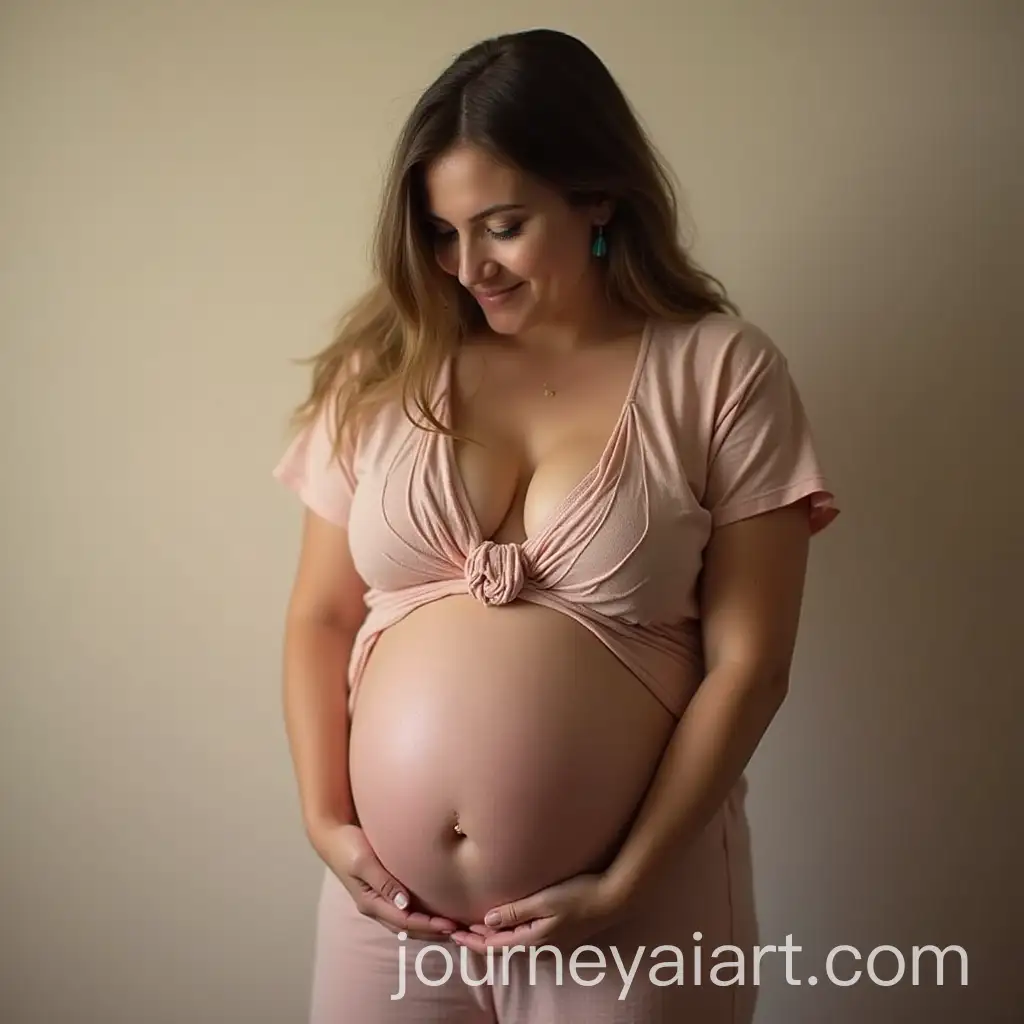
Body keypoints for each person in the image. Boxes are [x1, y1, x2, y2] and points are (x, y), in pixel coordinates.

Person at [273, 27, 839, 1024]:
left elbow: (751, 664)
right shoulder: (384, 371)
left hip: (633, 919)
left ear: (596, 198)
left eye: (500, 225)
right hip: (390, 925)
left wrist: (624, 883)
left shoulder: (719, 371)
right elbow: (321, 616)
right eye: (442, 233)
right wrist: (327, 822)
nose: (467, 267)